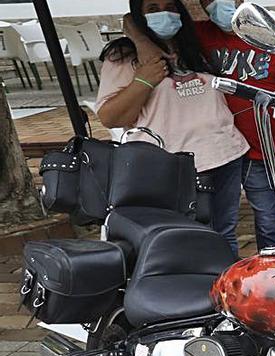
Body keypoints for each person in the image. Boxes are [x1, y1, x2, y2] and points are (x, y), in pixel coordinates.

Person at [131, 0, 275, 251]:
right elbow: (131, 20)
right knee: (268, 219)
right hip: (249, 151)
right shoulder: (198, 36)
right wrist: (139, 39)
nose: (218, 3)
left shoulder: (269, 35)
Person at [97, 0, 249, 254]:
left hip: (225, 153)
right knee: (184, 239)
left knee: (223, 233)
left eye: (170, 6)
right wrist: (145, 79)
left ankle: (225, 290)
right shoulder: (124, 56)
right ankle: (190, 290)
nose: (164, 14)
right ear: (140, 15)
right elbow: (110, 117)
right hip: (172, 165)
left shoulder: (195, 43)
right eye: (153, 9)